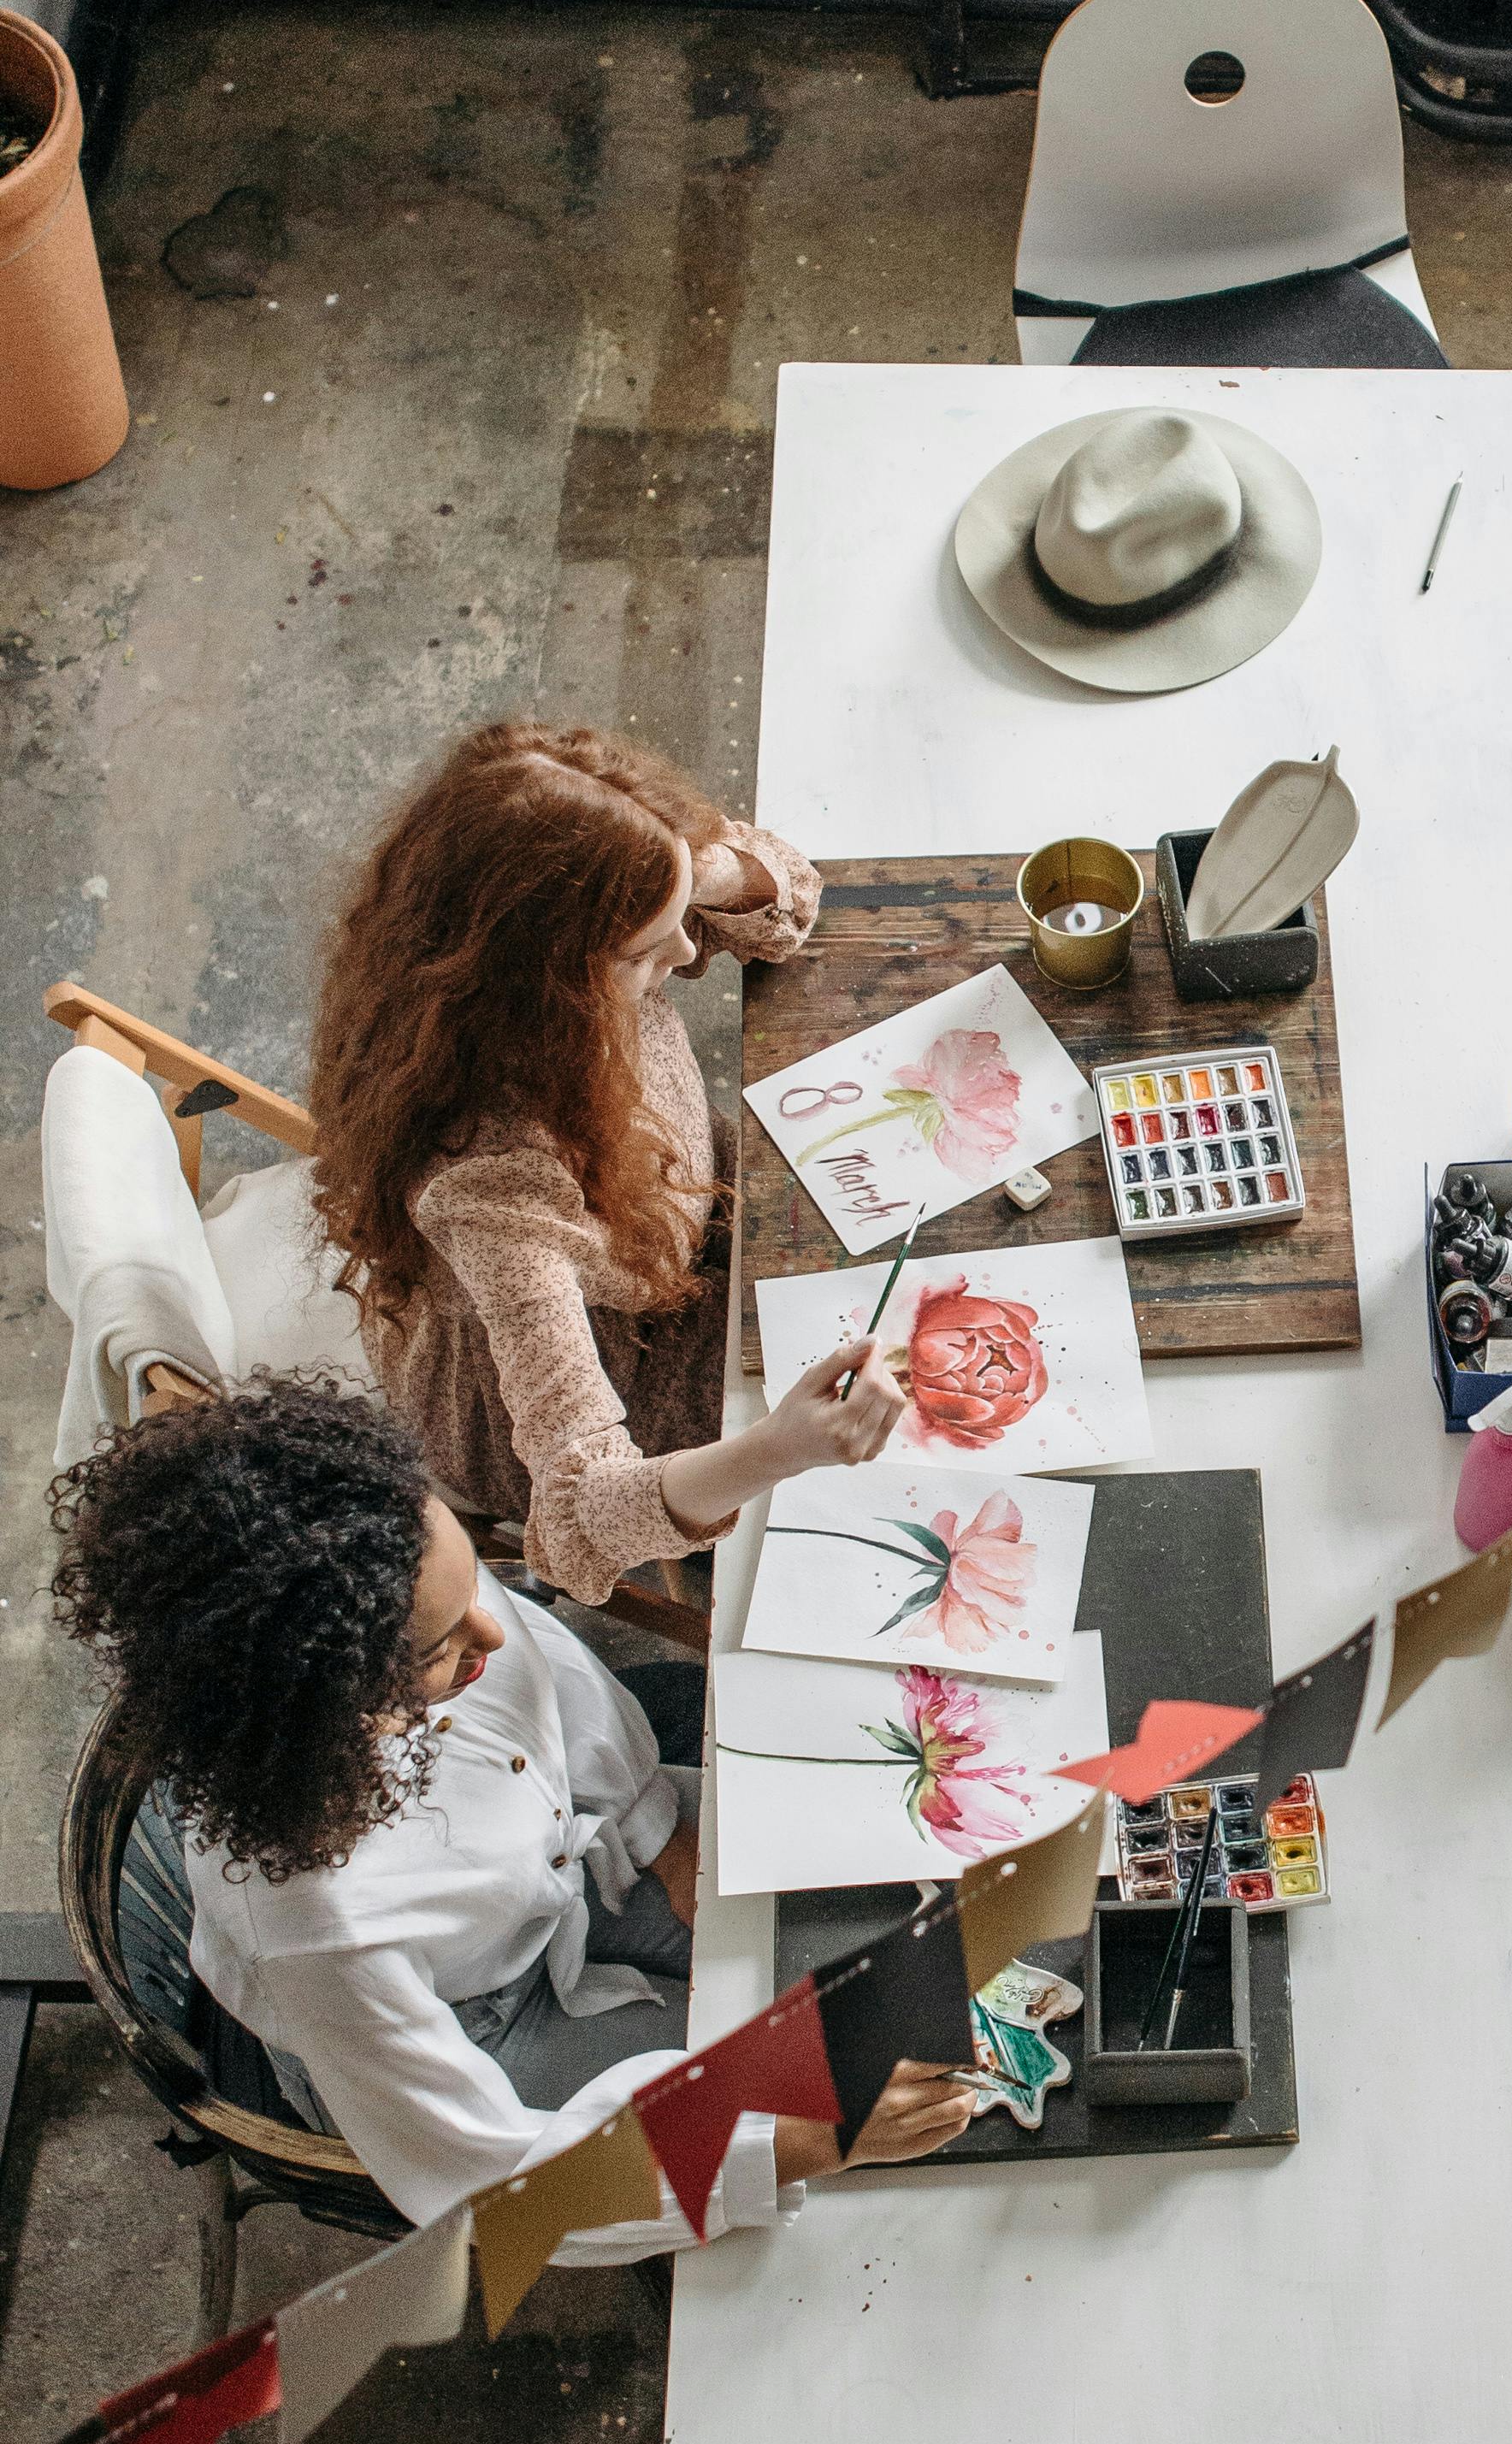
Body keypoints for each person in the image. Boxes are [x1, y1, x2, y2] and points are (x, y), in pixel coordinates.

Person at [50, 1379, 970, 2251]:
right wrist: (800, 2143)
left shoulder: (395, 1576)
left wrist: (660, 1832)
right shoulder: (320, 1928)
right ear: (321, 1703)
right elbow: (488, 2179)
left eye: (467, 1591)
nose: (493, 1629)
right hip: (475, 2026)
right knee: (826, 2093)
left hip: (580, 1856)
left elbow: (557, 1674)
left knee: (904, 1933)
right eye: (441, 1647)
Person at [308, 718, 904, 1604]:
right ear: (545, 979)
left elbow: (788, 908)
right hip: (616, 1359)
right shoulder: (493, 1186)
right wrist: (780, 1447)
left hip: (691, 1210)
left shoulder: (566, 953)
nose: (693, 952)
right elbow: (583, 1515)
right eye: (645, 952)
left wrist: (682, 869)